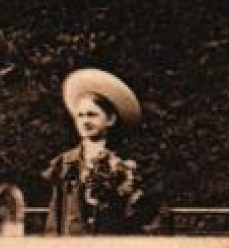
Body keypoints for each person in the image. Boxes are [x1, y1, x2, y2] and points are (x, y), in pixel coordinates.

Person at [42, 68, 149, 235]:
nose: (85, 121)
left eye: (92, 115)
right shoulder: (65, 163)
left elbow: (142, 218)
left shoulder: (127, 162)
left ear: (110, 119)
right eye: (80, 115)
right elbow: (55, 217)